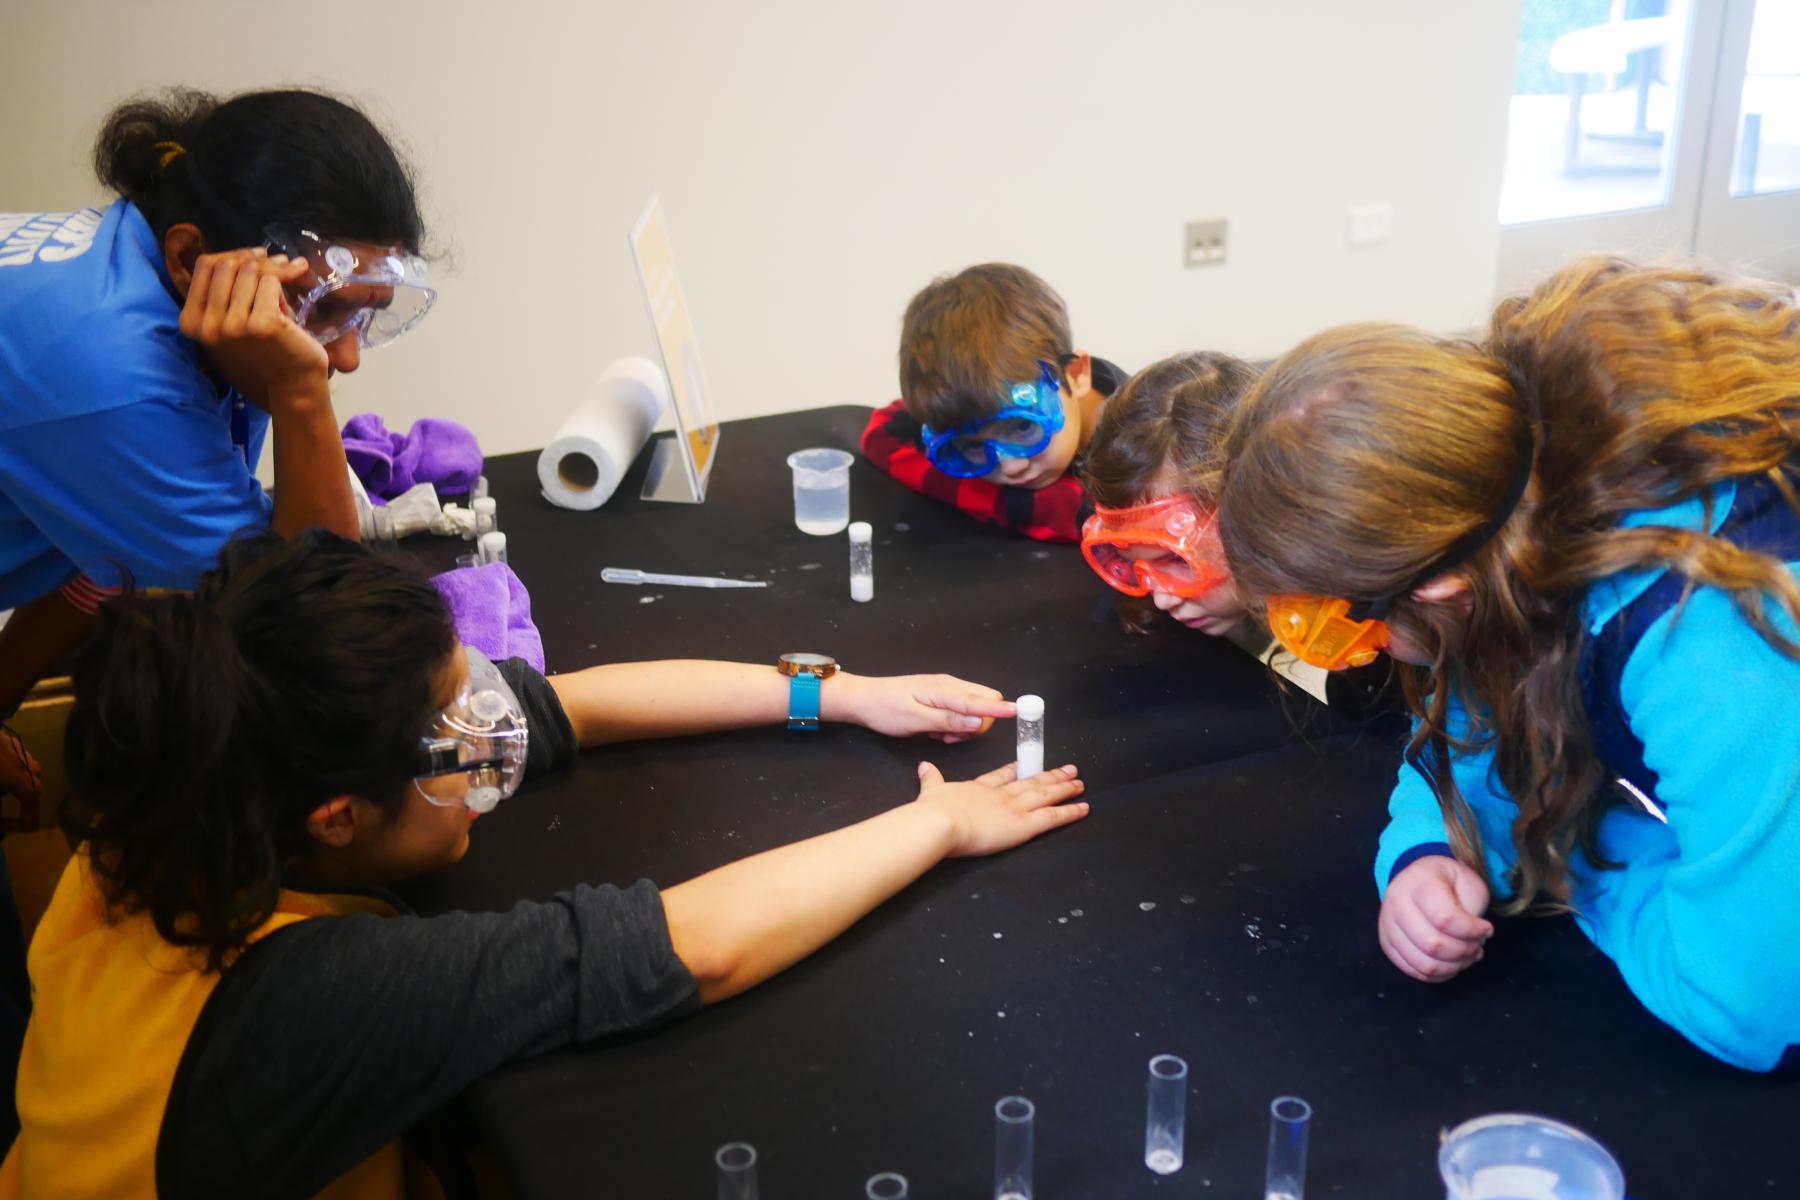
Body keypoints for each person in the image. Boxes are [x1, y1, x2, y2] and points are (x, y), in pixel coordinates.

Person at [4, 531, 1088, 1196]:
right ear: (335, 818)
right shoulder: (302, 997)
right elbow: (692, 949)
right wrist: (938, 826)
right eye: (450, 734)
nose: (488, 734)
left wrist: (837, 693)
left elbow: (568, 703)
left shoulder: (178, 800)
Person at [1215, 257, 1800, 1072]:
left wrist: (1569, 854)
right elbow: (1477, 720)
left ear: (1438, 581)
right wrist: (1429, 851)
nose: (1364, 656)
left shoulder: (1709, 634)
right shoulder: (1510, 500)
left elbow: (1753, 1007)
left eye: (1338, 627)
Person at [0, 86, 435, 722]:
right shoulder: (114, 374)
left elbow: (101, 549)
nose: (345, 359)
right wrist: (301, 391)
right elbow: (321, 609)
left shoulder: (186, 287)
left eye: (362, 315)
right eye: (328, 309)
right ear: (187, 255)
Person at [1079, 352, 1395, 715]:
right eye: (1134, 563)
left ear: (1257, 518)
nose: (1162, 599)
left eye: (1175, 558)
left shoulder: (1371, 632)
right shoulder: (1185, 605)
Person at [860, 263, 1126, 541]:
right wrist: (1019, 505)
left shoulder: (1151, 444)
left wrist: (1078, 515)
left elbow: (1129, 529)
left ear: (1075, 374)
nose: (1012, 468)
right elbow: (882, 431)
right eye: (974, 446)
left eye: (1023, 427)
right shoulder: (983, 411)